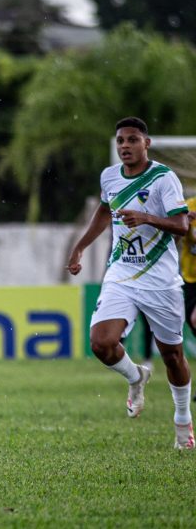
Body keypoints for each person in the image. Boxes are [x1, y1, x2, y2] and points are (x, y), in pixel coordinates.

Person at [67, 116, 194, 449]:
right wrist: (81, 246)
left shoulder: (164, 179)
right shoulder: (110, 176)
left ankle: (182, 420)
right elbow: (104, 211)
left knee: (173, 356)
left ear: (146, 144)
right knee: (100, 342)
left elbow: (182, 225)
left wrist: (147, 217)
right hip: (121, 274)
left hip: (161, 281)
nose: (125, 146)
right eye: (121, 140)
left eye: (132, 140)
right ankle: (136, 376)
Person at [179, 195, 196, 399]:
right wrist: (184, 225)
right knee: (192, 324)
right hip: (190, 278)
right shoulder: (188, 205)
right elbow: (175, 236)